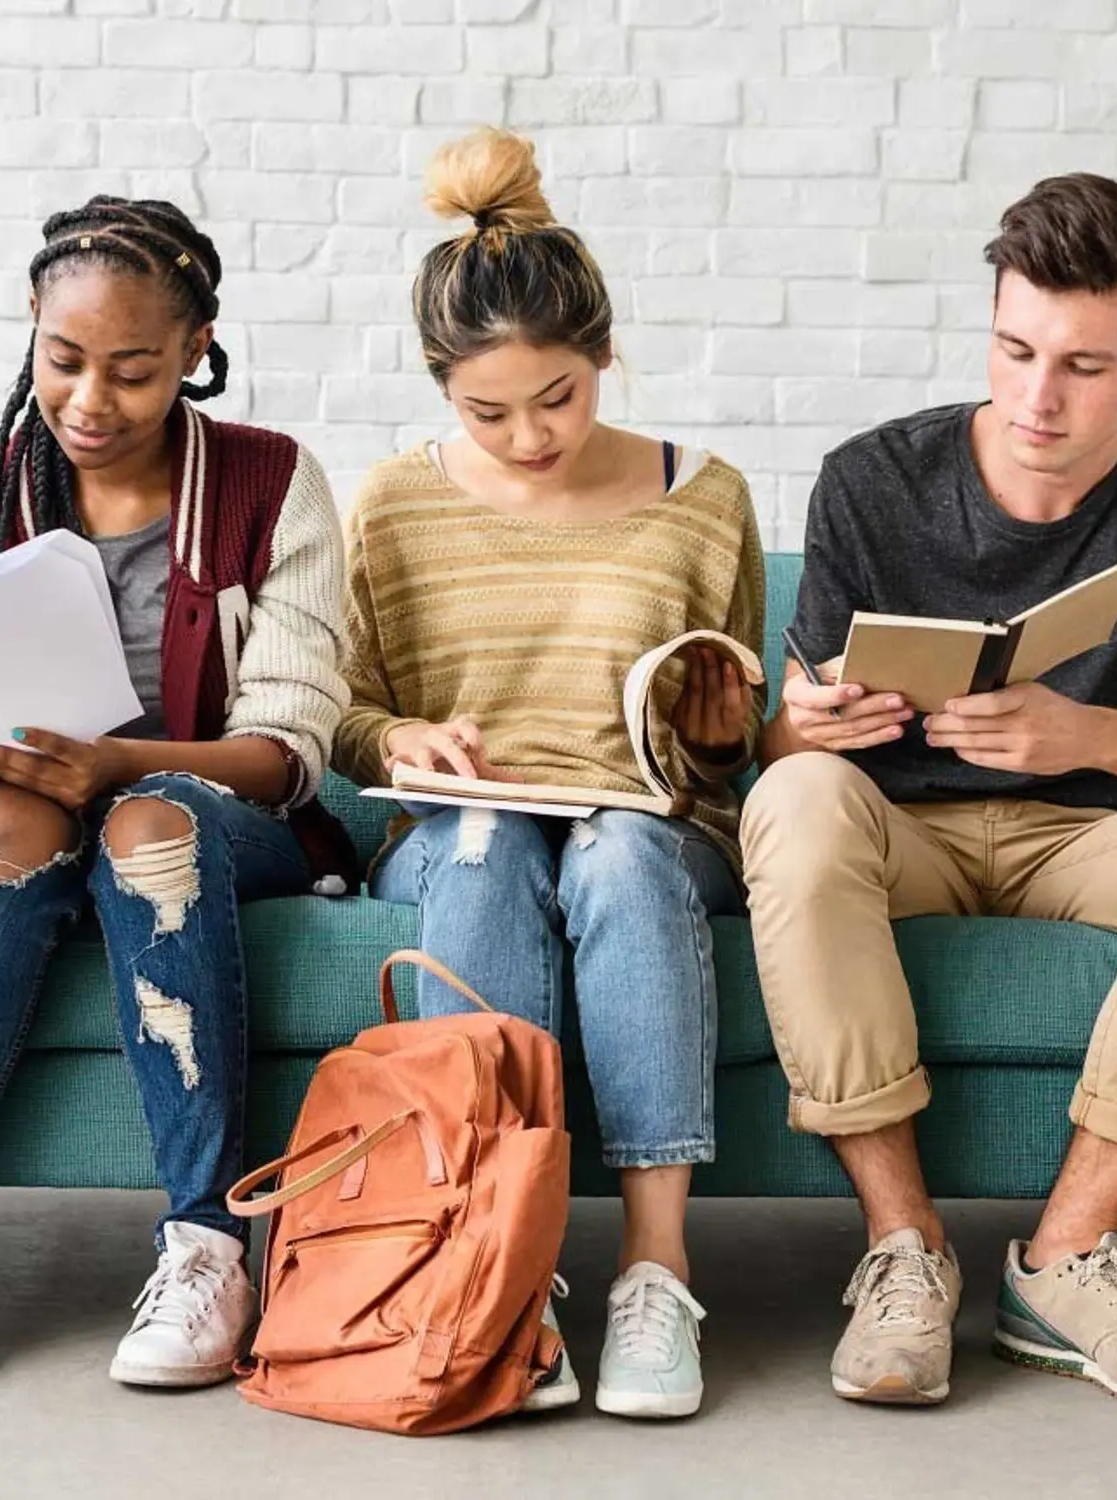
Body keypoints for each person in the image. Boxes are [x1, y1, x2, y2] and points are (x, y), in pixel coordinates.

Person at [747, 173, 1117, 1410]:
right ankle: (903, 1252)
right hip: (900, 830)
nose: (1036, 397)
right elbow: (785, 760)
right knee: (788, 803)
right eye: (1011, 350)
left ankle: (1065, 1257)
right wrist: (809, 723)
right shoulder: (869, 477)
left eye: (1082, 365)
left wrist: (1081, 733)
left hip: (1092, 836)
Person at [0, 194, 351, 1391]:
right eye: (64, 360)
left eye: (132, 371)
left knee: (146, 824)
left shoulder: (268, 483)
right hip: (22, 806)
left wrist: (119, 761)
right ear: (30, 323)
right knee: (2, 825)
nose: (89, 401)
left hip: (220, 820)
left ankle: (204, 1245)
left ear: (196, 351)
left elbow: (290, 750)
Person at [334, 128, 766, 1421]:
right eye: (489, 411)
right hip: (466, 820)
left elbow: (736, 758)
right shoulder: (393, 505)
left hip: (648, 819)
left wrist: (729, 727)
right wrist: (398, 742)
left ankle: (653, 1271)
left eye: (560, 397)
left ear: (606, 356)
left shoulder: (707, 495)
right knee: (479, 844)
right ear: (439, 388)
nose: (530, 435)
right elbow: (346, 713)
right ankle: (494, 1271)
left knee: (620, 854)